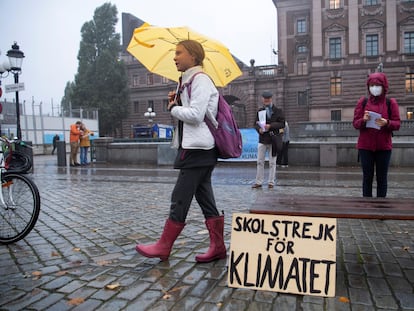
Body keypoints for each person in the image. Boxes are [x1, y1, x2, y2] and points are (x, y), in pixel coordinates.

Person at [135, 39, 226, 263]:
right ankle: (218, 247)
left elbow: (195, 115)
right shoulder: (187, 82)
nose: (174, 57)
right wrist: (176, 101)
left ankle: (164, 246)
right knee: (205, 199)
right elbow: (192, 112)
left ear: (193, 56)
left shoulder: (201, 80)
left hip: (198, 149)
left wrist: (174, 108)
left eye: (179, 53)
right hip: (198, 148)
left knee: (180, 198)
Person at [353, 72, 400, 197]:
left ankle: (381, 207)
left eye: (377, 85)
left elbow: (398, 124)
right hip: (365, 147)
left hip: (383, 148)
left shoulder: (391, 103)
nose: (374, 88)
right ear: (368, 86)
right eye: (372, 85)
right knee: (367, 178)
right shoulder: (363, 102)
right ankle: (367, 206)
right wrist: (363, 120)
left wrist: (387, 122)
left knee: (382, 178)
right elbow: (355, 123)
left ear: (384, 87)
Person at [252, 91, 285, 189]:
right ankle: (258, 182)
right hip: (262, 139)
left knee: (272, 162)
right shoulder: (260, 111)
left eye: (268, 99)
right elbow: (255, 124)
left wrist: (270, 126)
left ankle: (271, 182)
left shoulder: (278, 111)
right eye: (265, 99)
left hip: (273, 139)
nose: (266, 100)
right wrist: (259, 130)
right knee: (259, 161)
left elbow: (282, 124)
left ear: (271, 99)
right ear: (262, 99)